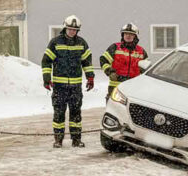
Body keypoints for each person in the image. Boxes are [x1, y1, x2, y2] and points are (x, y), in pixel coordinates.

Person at [42, 15, 94, 147]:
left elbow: (86, 62)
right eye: (70, 29)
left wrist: (90, 77)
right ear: (65, 28)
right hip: (59, 86)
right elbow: (46, 61)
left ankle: (76, 140)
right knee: (59, 113)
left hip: (76, 86)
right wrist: (47, 79)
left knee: (76, 114)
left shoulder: (82, 43)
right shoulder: (55, 43)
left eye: (75, 30)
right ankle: (58, 140)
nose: (72, 31)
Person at [100, 22, 147, 98]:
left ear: (135, 36)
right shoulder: (115, 47)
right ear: (123, 35)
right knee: (113, 108)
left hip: (133, 87)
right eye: (126, 33)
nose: (128, 36)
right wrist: (110, 72)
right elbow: (103, 60)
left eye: (131, 34)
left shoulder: (141, 51)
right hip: (116, 86)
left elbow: (146, 68)